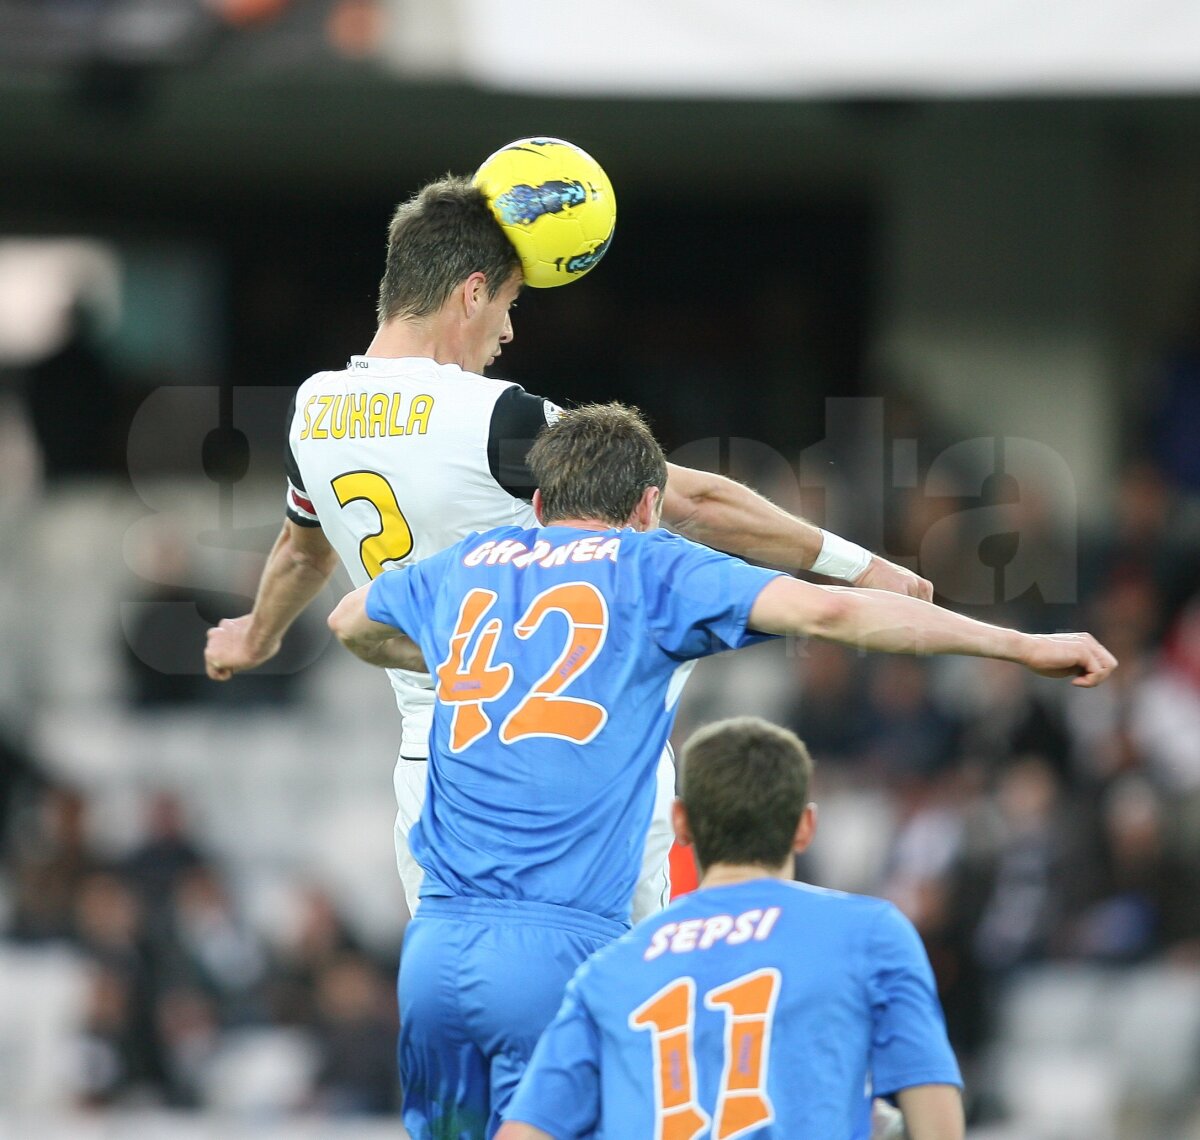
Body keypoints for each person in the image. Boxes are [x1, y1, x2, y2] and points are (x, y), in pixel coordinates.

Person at [326, 402, 1114, 1139]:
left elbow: (349, 620)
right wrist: (1021, 646)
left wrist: (453, 659)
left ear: (537, 504)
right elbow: (829, 611)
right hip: (559, 947)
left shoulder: (465, 563)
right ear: (648, 506)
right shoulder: (650, 565)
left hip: (436, 950)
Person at [203, 172, 932, 923]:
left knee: (469, 986)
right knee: (614, 984)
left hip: (436, 771)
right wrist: (861, 564)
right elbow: (695, 500)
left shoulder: (313, 409)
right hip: (567, 752)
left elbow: (301, 553)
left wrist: (254, 635)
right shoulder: (490, 417)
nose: (509, 333)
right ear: (472, 294)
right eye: (510, 304)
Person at [495, 716, 965, 1140]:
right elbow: (936, 1117)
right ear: (805, 826)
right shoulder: (870, 934)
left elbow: (524, 1133)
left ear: (681, 823)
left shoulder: (609, 969)